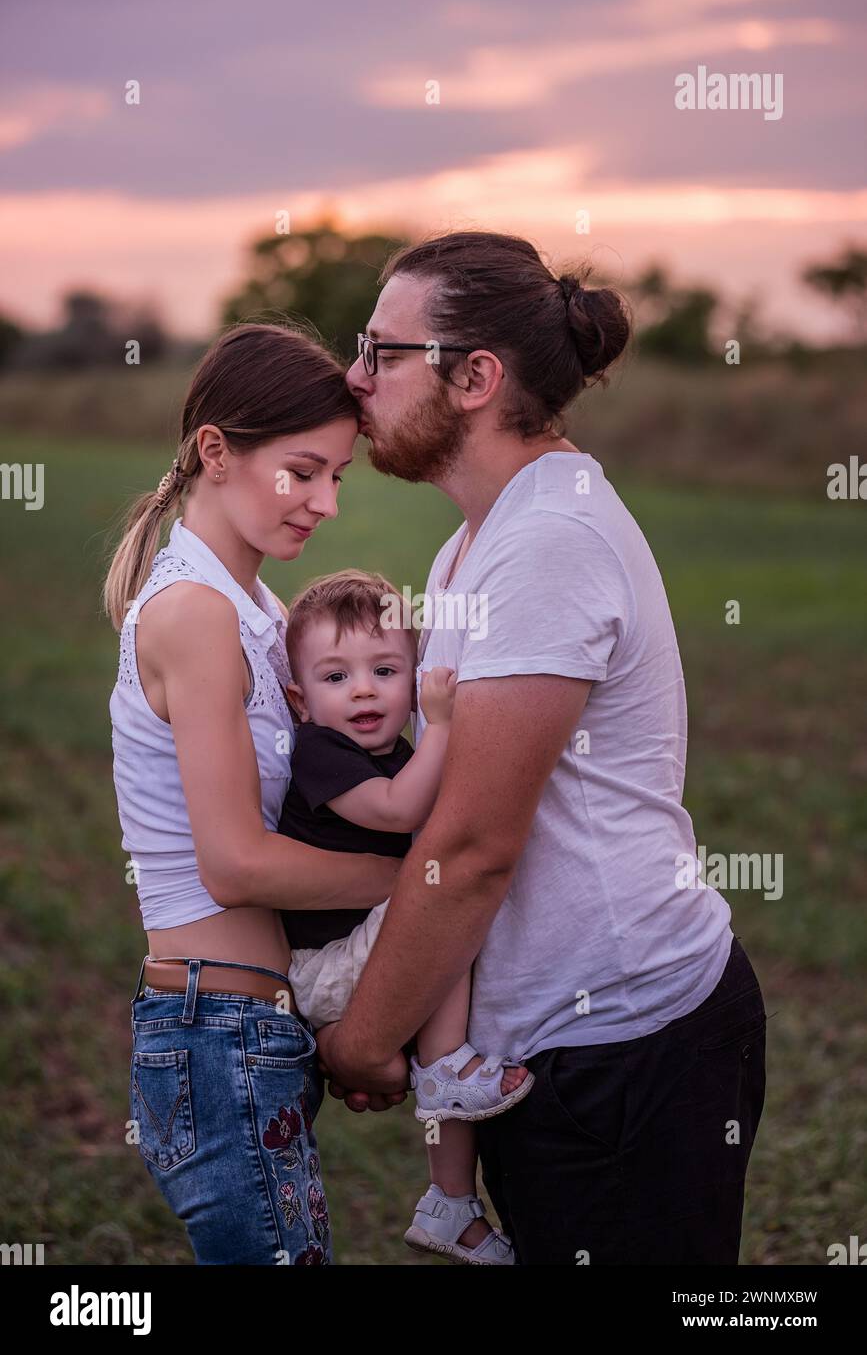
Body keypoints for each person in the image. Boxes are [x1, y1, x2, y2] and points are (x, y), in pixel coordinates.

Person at [316, 231, 767, 1265]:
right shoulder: (476, 540)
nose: (354, 377)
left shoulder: (548, 541)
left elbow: (473, 843)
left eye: (381, 351)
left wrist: (363, 1035)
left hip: (626, 1039)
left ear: (475, 377)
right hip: (550, 1042)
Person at [104, 322, 406, 1265]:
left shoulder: (265, 613)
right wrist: (424, 882)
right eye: (302, 471)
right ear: (215, 451)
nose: (324, 502)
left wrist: (354, 1017)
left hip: (257, 1024)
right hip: (214, 1030)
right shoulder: (194, 613)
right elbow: (235, 863)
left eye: (337, 478)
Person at [276, 568, 532, 1263]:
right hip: (325, 968)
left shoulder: (396, 753)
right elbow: (396, 811)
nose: (362, 689)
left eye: (383, 669)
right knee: (443, 907)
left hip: (364, 949)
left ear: (411, 675)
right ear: (299, 699)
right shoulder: (319, 755)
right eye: (335, 677)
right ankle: (446, 1063)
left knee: (445, 927)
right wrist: (444, 724)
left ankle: (447, 1202)